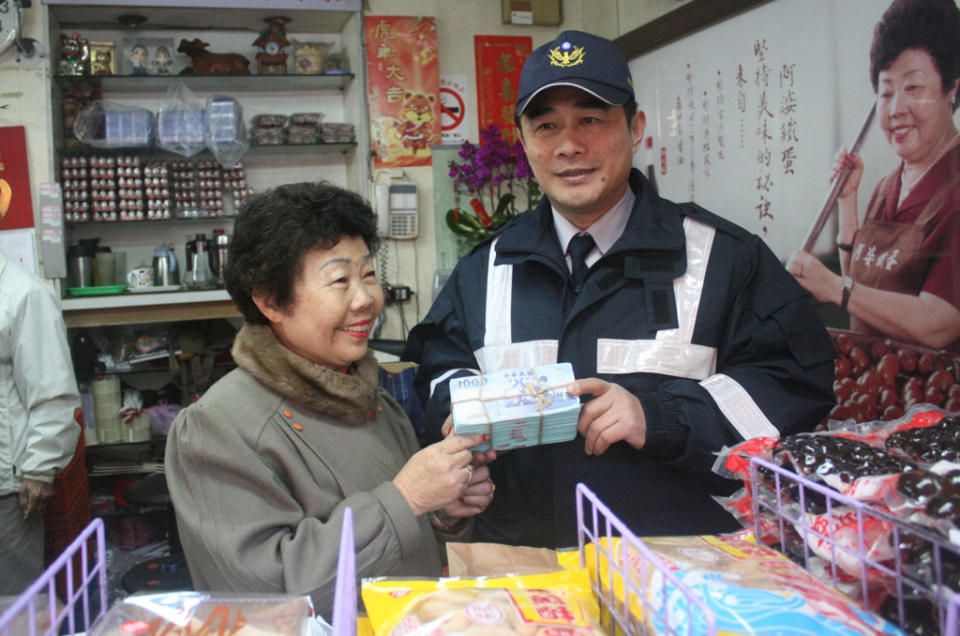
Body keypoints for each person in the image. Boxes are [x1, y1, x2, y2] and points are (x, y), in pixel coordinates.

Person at [404, 30, 836, 548]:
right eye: (546, 126)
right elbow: (438, 371)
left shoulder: (725, 258)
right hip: (531, 580)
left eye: (591, 119)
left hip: (686, 576)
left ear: (636, 128)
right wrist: (460, 419)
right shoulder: (485, 268)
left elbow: (792, 386)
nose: (568, 145)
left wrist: (659, 415)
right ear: (524, 144)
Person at [164, 182, 494, 619]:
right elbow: (265, 598)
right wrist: (407, 498)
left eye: (369, 276)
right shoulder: (216, 428)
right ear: (270, 302)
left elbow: (409, 556)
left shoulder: (370, 399)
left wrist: (442, 514)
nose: (366, 300)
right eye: (340, 280)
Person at [787, 0, 960, 353]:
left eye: (913, 88)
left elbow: (939, 322)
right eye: (886, 92)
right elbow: (863, 274)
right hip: (875, 387)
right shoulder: (888, 186)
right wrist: (849, 201)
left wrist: (835, 288)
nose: (896, 108)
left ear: (951, 90)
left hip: (936, 397)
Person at [0, 249, 80, 594]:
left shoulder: (23, 293)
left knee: (14, 605)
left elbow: (53, 391)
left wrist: (39, 468)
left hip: (7, 484)